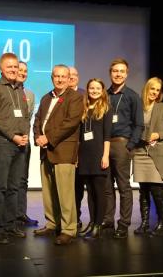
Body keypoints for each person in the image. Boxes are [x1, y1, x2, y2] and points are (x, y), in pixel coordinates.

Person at [33, 64, 83, 245]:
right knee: (48, 191)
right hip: (45, 150)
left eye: (64, 76)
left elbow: (71, 123)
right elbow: (38, 119)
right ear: (52, 77)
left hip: (63, 150)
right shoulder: (47, 97)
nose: (60, 79)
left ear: (69, 78)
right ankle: (52, 223)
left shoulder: (76, 97)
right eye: (57, 76)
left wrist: (48, 138)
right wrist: (38, 136)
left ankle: (69, 228)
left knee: (65, 192)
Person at [0, 52, 30, 244]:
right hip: (3, 143)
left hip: (21, 145)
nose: (13, 70)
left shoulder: (20, 89)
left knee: (14, 187)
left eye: (15, 67)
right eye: (9, 67)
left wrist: (25, 134)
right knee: (0, 187)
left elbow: (25, 115)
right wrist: (14, 136)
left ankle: (11, 225)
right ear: (1, 68)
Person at [133, 77, 163, 236]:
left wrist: (159, 134)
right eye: (152, 88)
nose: (154, 92)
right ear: (147, 88)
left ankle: (162, 223)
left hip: (157, 153)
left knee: (156, 190)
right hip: (140, 152)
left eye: (157, 90)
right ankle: (144, 223)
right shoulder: (138, 106)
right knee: (143, 190)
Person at [103, 58, 143, 239]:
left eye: (121, 71)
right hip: (105, 144)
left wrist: (130, 146)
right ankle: (108, 220)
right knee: (106, 186)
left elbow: (139, 124)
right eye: (115, 71)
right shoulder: (105, 95)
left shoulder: (132, 96)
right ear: (110, 73)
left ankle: (124, 223)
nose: (118, 74)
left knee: (123, 186)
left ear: (126, 74)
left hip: (121, 144)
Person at [77, 79, 113, 239]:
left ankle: (98, 225)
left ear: (103, 90)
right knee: (90, 192)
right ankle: (92, 223)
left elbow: (107, 136)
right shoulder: (84, 108)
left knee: (99, 192)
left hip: (99, 155)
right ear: (87, 89)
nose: (94, 90)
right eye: (91, 88)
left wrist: (105, 156)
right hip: (85, 155)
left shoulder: (106, 108)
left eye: (98, 88)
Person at [69, 66, 92, 236]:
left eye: (75, 75)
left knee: (78, 185)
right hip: (64, 146)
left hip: (83, 146)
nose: (71, 78)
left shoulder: (86, 95)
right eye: (69, 75)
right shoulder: (58, 95)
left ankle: (76, 216)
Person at [16, 61, 39, 227]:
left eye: (25, 70)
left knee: (23, 179)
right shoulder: (4, 90)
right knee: (9, 181)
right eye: (19, 69)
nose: (22, 73)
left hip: (25, 142)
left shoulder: (30, 94)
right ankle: (8, 216)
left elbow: (28, 118)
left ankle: (21, 214)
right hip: (8, 142)